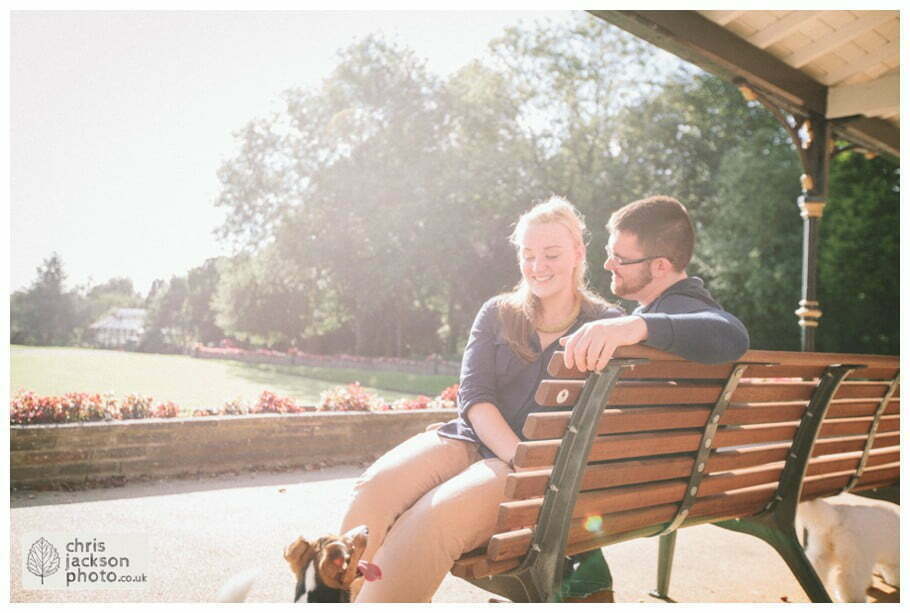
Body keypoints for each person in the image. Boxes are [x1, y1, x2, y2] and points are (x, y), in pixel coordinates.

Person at [337, 196, 623, 602]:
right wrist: (515, 454)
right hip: (473, 440)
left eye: (551, 254)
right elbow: (474, 396)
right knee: (375, 489)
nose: (537, 266)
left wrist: (526, 464)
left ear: (578, 252)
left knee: (430, 521)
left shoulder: (607, 325)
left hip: (535, 470)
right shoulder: (497, 312)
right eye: (528, 255)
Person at [560, 194, 749, 371]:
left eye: (620, 258)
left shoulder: (678, 305)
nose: (608, 265)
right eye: (609, 253)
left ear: (660, 266)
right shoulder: (669, 311)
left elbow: (732, 335)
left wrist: (636, 326)